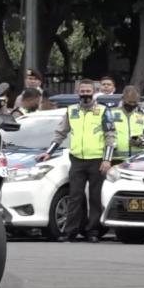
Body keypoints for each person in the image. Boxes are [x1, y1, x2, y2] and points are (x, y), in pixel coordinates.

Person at [36, 79, 115, 243]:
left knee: (95, 197)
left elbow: (110, 136)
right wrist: (48, 153)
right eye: (82, 91)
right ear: (78, 92)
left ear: (94, 92)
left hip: (97, 159)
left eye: (88, 91)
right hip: (77, 159)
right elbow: (60, 133)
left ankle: (93, 232)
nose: (85, 94)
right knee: (75, 197)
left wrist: (107, 160)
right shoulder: (71, 111)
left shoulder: (103, 111)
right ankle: (70, 231)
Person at [113, 86, 144, 163]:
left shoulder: (143, 116)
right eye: (129, 102)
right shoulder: (111, 113)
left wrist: (141, 142)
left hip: (138, 160)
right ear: (123, 98)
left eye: (134, 102)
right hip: (116, 159)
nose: (132, 104)